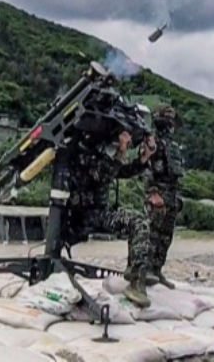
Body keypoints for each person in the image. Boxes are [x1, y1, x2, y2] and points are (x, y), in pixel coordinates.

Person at [66, 127, 155, 307]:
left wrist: (144, 158)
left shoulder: (99, 154)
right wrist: (120, 151)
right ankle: (136, 280)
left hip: (100, 213)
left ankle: (135, 278)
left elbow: (121, 171)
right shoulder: (82, 154)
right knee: (138, 223)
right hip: (84, 215)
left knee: (139, 223)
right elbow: (101, 175)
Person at [141, 104, 185, 289]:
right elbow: (145, 168)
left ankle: (157, 270)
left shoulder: (174, 146)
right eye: (166, 118)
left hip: (172, 196)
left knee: (166, 238)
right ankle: (145, 271)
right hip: (158, 195)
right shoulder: (152, 143)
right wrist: (153, 193)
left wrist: (178, 197)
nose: (169, 123)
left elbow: (176, 174)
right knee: (152, 235)